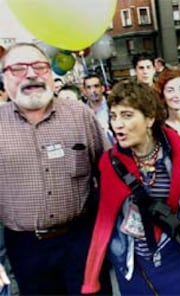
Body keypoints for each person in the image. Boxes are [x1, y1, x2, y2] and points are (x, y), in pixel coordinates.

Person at [82, 80, 180, 294]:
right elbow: (105, 216)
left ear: (150, 118)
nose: (117, 125)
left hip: (176, 253)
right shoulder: (109, 162)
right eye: (114, 116)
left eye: (127, 115)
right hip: (133, 262)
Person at [0, 43, 109, 294]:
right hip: (26, 248)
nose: (31, 74)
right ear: (4, 78)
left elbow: (108, 172)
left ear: (51, 73)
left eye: (39, 67)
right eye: (18, 69)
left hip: (83, 240)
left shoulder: (79, 114)